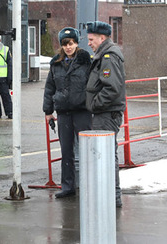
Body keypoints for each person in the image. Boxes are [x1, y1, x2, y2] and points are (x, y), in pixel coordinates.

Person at [43, 27, 92, 198]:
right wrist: (48, 111)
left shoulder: (86, 61)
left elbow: (93, 85)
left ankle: (88, 185)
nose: (68, 47)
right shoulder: (56, 64)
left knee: (87, 150)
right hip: (64, 112)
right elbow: (50, 87)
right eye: (65, 44)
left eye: (70, 43)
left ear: (76, 43)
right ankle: (67, 186)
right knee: (66, 152)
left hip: (82, 111)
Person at [86, 21, 126, 208]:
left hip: (106, 114)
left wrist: (95, 104)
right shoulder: (105, 54)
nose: (89, 43)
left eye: (91, 39)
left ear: (102, 38)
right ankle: (110, 197)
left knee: (107, 155)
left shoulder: (108, 56)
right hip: (105, 113)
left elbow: (111, 88)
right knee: (106, 154)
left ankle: (111, 198)